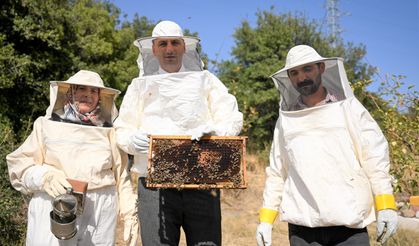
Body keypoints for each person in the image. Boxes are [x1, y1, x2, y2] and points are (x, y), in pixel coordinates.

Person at [114, 20, 243, 245]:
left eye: (174, 43)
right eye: (162, 44)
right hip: (154, 184)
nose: (169, 49)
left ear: (184, 47)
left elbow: (231, 118)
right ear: (153, 49)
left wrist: (215, 134)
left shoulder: (207, 80)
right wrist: (134, 142)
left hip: (202, 180)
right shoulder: (138, 85)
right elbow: (122, 130)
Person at [255, 45, 398, 246]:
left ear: (321, 68)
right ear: (288, 77)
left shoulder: (348, 108)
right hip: (303, 226)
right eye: (294, 73)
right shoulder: (286, 119)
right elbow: (278, 171)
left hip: (349, 223)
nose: (301, 77)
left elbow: (374, 157)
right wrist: (266, 219)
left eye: (307, 69)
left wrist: (385, 205)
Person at [7, 70, 138, 246]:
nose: (87, 95)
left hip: (100, 209)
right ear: (70, 92)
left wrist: (129, 211)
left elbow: (122, 175)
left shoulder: (110, 132)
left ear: (100, 97)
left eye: (94, 91)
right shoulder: (45, 125)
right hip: (54, 203)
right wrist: (44, 177)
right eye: (81, 89)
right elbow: (19, 165)